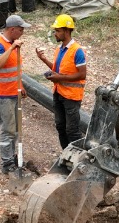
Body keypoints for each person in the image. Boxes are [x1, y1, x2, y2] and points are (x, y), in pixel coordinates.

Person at [36, 14, 87, 150]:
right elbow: (57, 69)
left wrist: (58, 78)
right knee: (60, 126)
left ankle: (78, 158)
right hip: (58, 93)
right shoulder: (59, 49)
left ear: (67, 31)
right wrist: (44, 59)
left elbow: (82, 74)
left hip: (71, 96)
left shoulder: (77, 51)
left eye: (57, 31)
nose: (55, 34)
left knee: (72, 130)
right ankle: (66, 154)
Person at [0, 15, 29, 174]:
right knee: (7, 130)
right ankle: (7, 163)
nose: (22, 33)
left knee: (16, 129)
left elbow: (13, 69)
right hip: (2, 96)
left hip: (13, 93)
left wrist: (20, 84)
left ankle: (13, 157)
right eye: (20, 30)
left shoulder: (11, 43)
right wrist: (11, 48)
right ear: (12, 29)